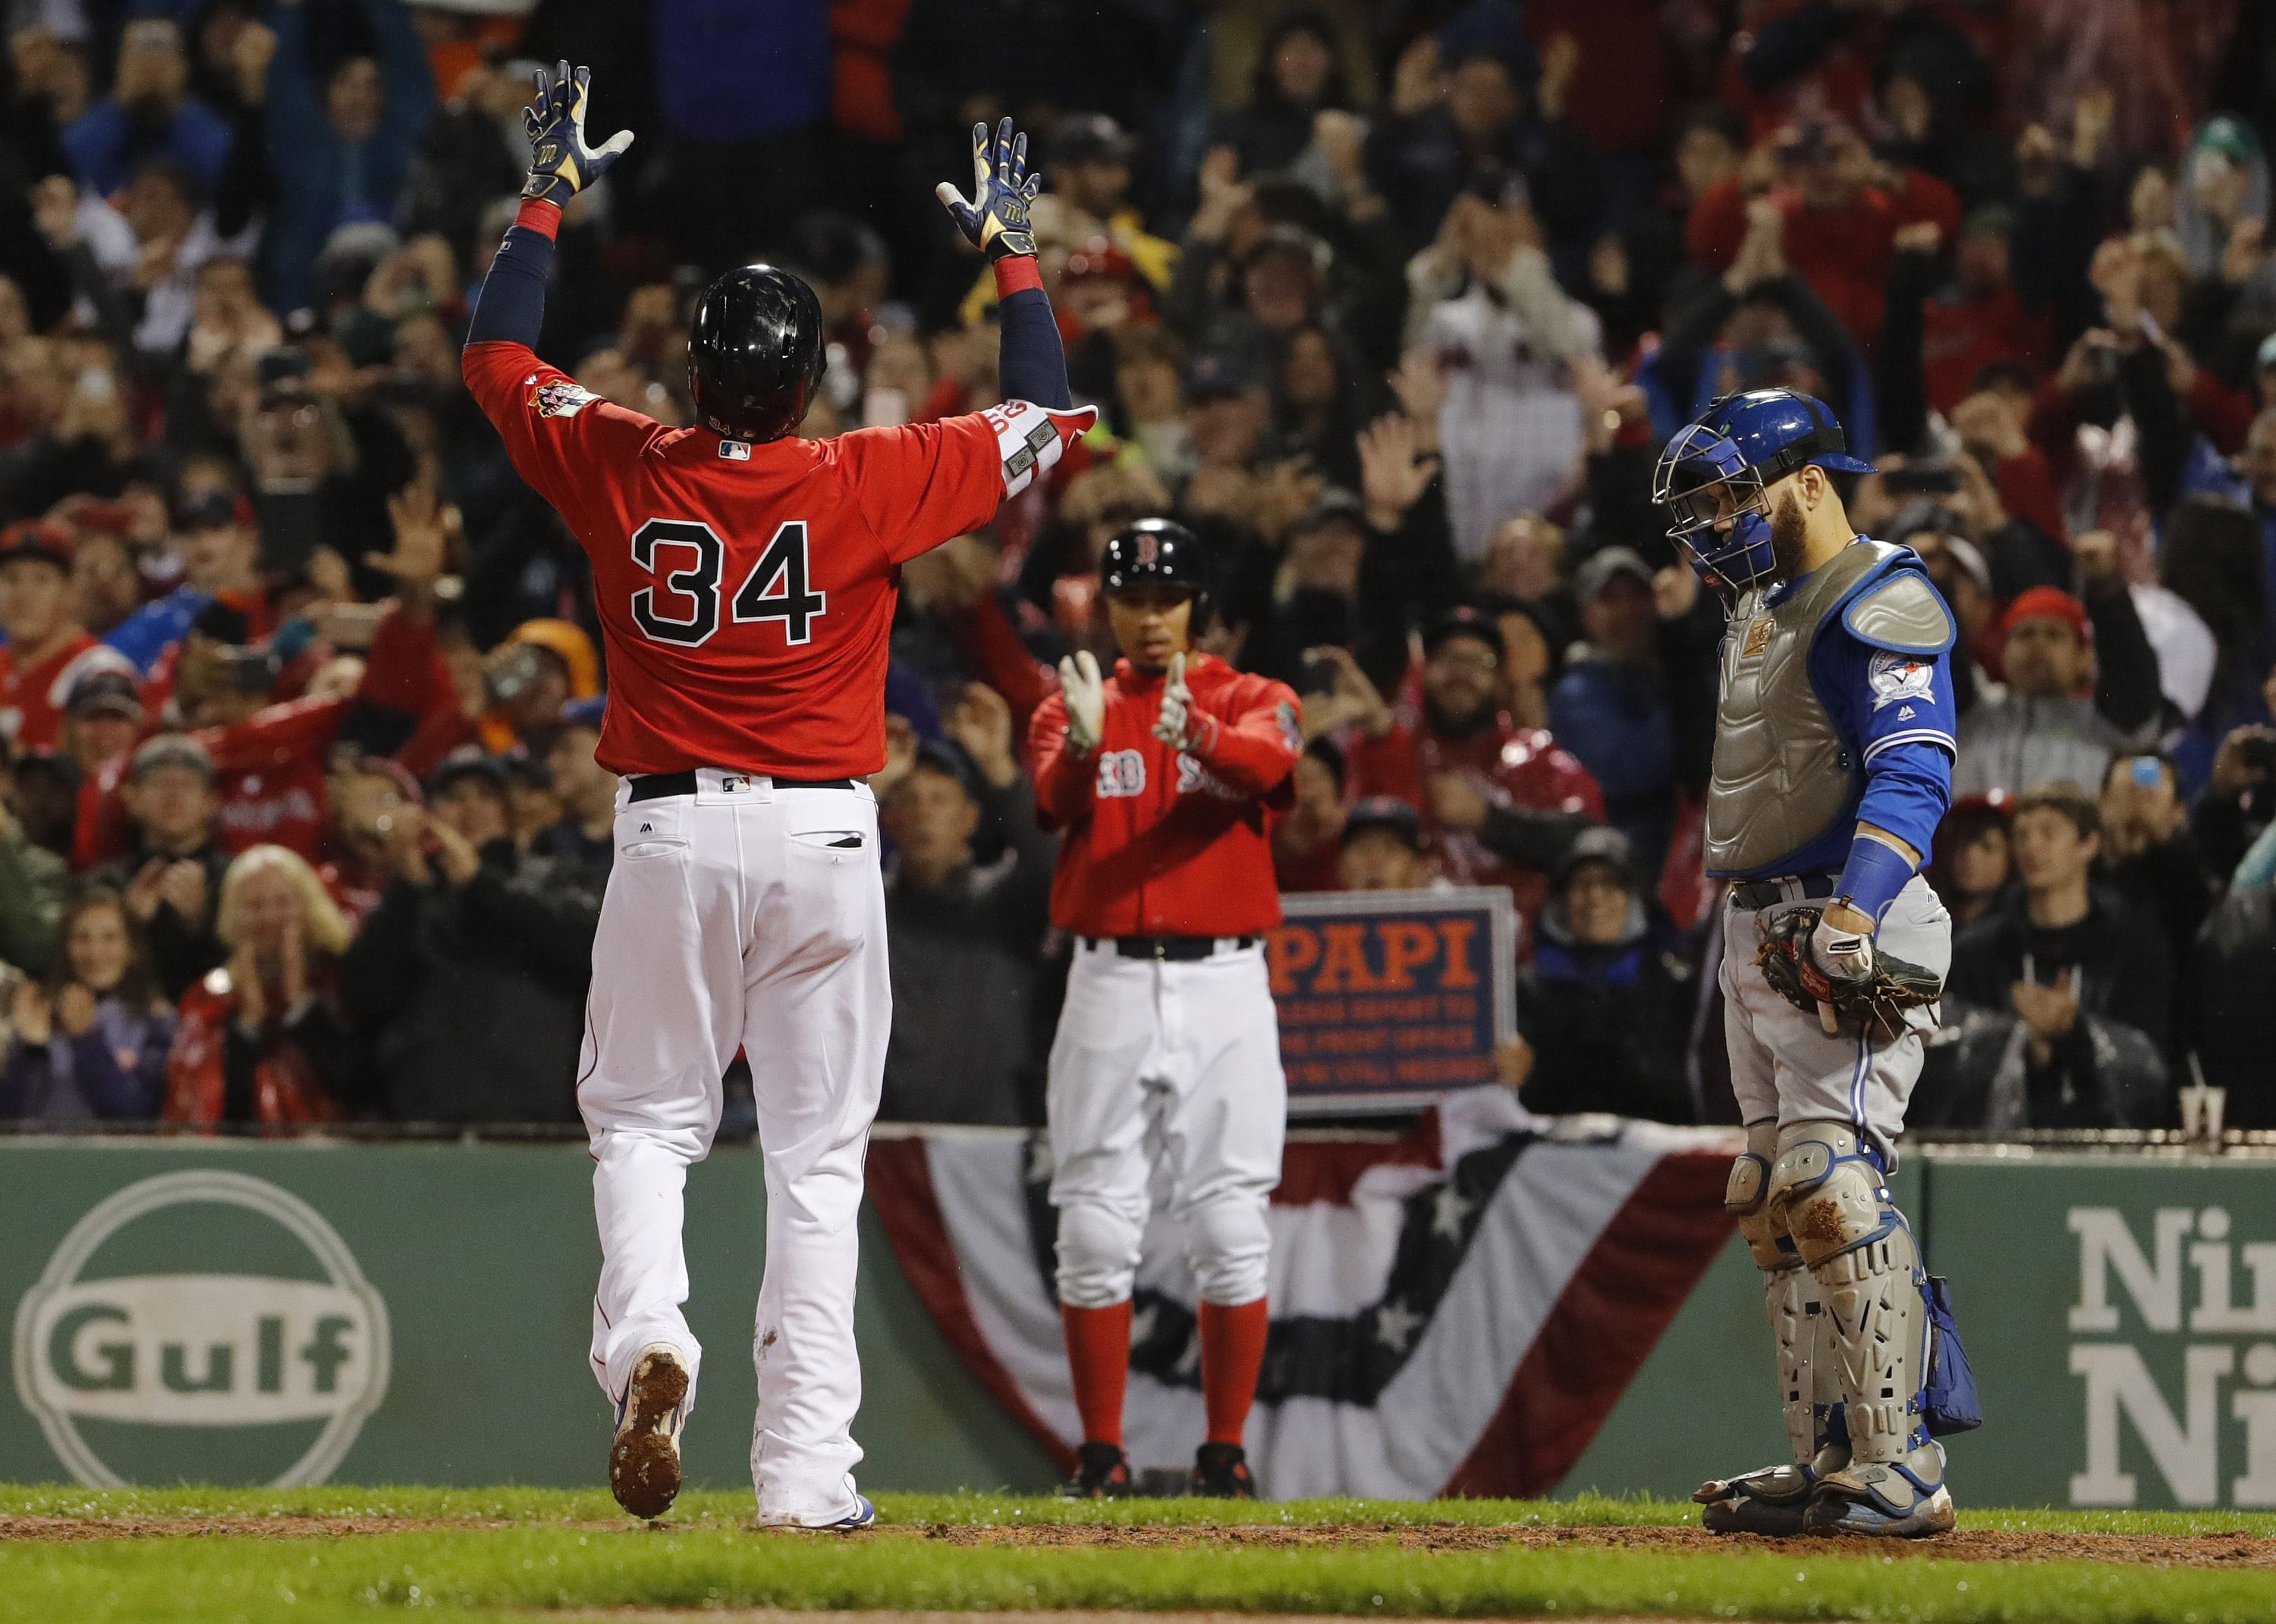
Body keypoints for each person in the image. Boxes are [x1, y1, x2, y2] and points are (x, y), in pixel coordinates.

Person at [460, 79, 1092, 1528]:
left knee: (642, 1126)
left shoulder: (620, 458)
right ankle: (807, 1479)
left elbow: (496, 348)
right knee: (817, 1166)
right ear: (807, 382)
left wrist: (545, 195)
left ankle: (651, 1341)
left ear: (692, 373)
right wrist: (1011, 253)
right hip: (823, 835)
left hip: (673, 832)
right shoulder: (867, 477)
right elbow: (1050, 411)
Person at [1655, 388, 1972, 1539]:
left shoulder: (1877, 594)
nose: (1717, 519)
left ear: (1813, 482)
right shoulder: (1755, 604)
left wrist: (1857, 910)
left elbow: (1914, 764)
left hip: (1836, 916)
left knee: (1832, 1187)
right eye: (1707, 499)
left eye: (1738, 491)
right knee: (1772, 1199)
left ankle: (1905, 1464)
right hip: (1755, 924)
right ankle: (1830, 1457)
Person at [1026, 517, 1300, 1501]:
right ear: (1106, 607)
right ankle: (1100, 1450)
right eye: (1133, 601)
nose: (1150, 618)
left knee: (1230, 1226)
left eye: (1166, 599)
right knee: (1095, 1229)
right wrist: (1085, 746)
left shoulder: (1253, 696)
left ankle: (1224, 1450)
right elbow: (1052, 799)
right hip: (1105, 978)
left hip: (1225, 982)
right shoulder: (1074, 702)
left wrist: (1206, 736)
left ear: (1197, 607)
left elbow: (1275, 766)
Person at [338, 749, 600, 1124]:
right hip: (426, 1125)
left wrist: (480, 883)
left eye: (485, 796)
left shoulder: (555, 877)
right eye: (454, 798)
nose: (470, 809)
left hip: (539, 1123)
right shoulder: (413, 894)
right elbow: (365, 996)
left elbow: (588, 951)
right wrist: (406, 891)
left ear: (509, 811)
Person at [1935, 785, 2172, 1130]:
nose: (2033, 847)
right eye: (2022, 836)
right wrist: (2022, 1044)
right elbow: (1950, 1066)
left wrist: (2071, 1035)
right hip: (1999, 1154)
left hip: (2109, 1153)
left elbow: (2149, 1071)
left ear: (2088, 844)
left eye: (2049, 833)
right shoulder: (1977, 951)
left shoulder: (2135, 948)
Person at [876, 684, 1054, 1126]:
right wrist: (870, 792)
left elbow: (1051, 865)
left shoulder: (1004, 900)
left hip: (991, 1146)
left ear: (971, 818)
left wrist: (999, 768)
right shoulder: (868, 908)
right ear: (889, 820)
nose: (923, 816)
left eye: (939, 801)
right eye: (909, 802)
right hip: (890, 1152)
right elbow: (808, 897)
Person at [162, 842, 361, 1126]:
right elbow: (203, 1113)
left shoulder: (342, 983)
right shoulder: (209, 996)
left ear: (309, 908)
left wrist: (301, 1006)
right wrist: (248, 1026)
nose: (269, 917)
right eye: (254, 905)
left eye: (282, 902)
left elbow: (360, 1090)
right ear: (233, 917)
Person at [1514, 828, 1695, 1124]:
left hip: (1654, 1160)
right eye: (1581, 885)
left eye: (1610, 885)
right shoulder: (1528, 989)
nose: (1594, 897)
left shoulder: (1674, 984)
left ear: (1635, 899)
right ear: (1561, 900)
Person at [0, 888, 174, 1123]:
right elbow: (11, 1117)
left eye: (110, 938)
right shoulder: (38, 1013)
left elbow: (136, 1113)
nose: (95, 953)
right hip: (43, 1156)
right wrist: (32, 1051)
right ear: (66, 948)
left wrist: (88, 1039)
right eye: (82, 938)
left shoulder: (159, 1022)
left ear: (131, 949)